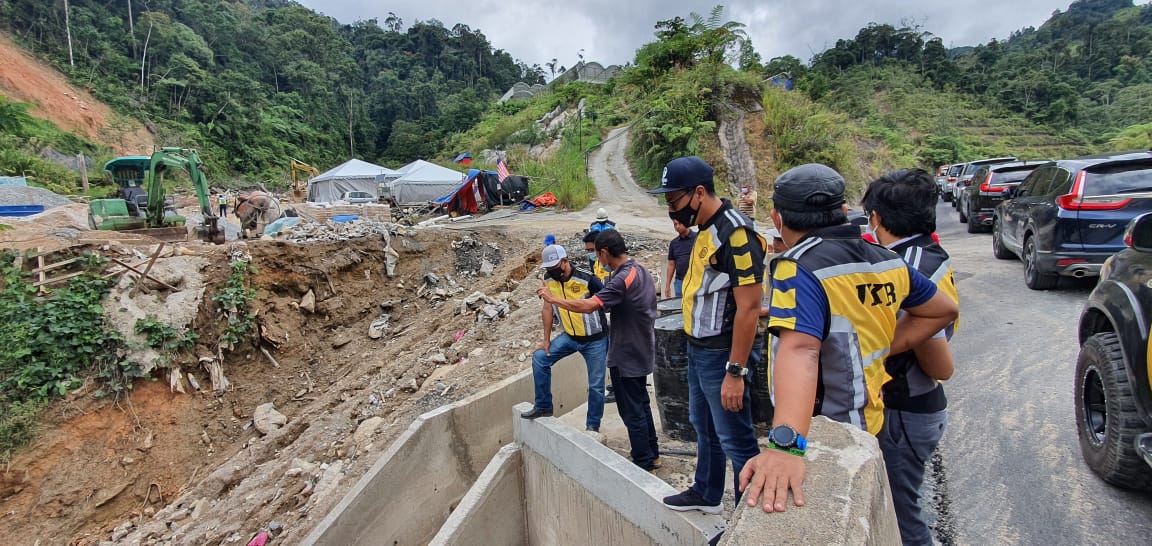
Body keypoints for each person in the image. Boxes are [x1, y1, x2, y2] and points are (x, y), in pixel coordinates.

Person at [737, 163, 959, 515]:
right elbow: (943, 309)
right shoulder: (887, 261)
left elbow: (801, 350)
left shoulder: (796, 266)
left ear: (777, 218)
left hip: (826, 433)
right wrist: (883, 343)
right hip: (871, 423)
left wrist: (786, 448)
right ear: (843, 212)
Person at [648, 156, 767, 515]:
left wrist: (736, 370)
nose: (672, 211)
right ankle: (707, 491)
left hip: (722, 355)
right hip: (699, 349)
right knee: (705, 426)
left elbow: (748, 308)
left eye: (674, 202)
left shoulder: (737, 234)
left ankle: (747, 522)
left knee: (737, 438)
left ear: (699, 193)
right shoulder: (704, 230)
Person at [862, 169, 959, 546]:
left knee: (903, 518)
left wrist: (869, 348)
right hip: (918, 405)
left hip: (906, 406)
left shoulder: (906, 267)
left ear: (877, 218)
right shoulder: (928, 252)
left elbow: (939, 361)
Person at [538, 230, 661, 471]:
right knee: (641, 404)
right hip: (642, 346)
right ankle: (652, 454)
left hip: (626, 351)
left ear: (604, 252)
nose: (595, 259)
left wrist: (554, 300)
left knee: (631, 410)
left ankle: (643, 462)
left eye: (595, 253)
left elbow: (589, 305)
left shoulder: (621, 278)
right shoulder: (639, 269)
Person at [522, 244, 609, 434]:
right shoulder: (548, 280)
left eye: (555, 268)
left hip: (595, 339)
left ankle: (592, 426)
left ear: (565, 261)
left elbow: (607, 302)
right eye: (548, 269)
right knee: (540, 359)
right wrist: (546, 340)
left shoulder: (587, 279)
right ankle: (544, 405)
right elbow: (547, 309)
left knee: (596, 385)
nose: (552, 272)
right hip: (570, 337)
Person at [664, 219, 696, 298]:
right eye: (675, 224)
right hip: (680, 282)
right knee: (680, 307)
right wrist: (667, 285)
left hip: (695, 281)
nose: (677, 226)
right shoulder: (674, 243)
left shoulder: (698, 238)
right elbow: (671, 264)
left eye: (680, 223)